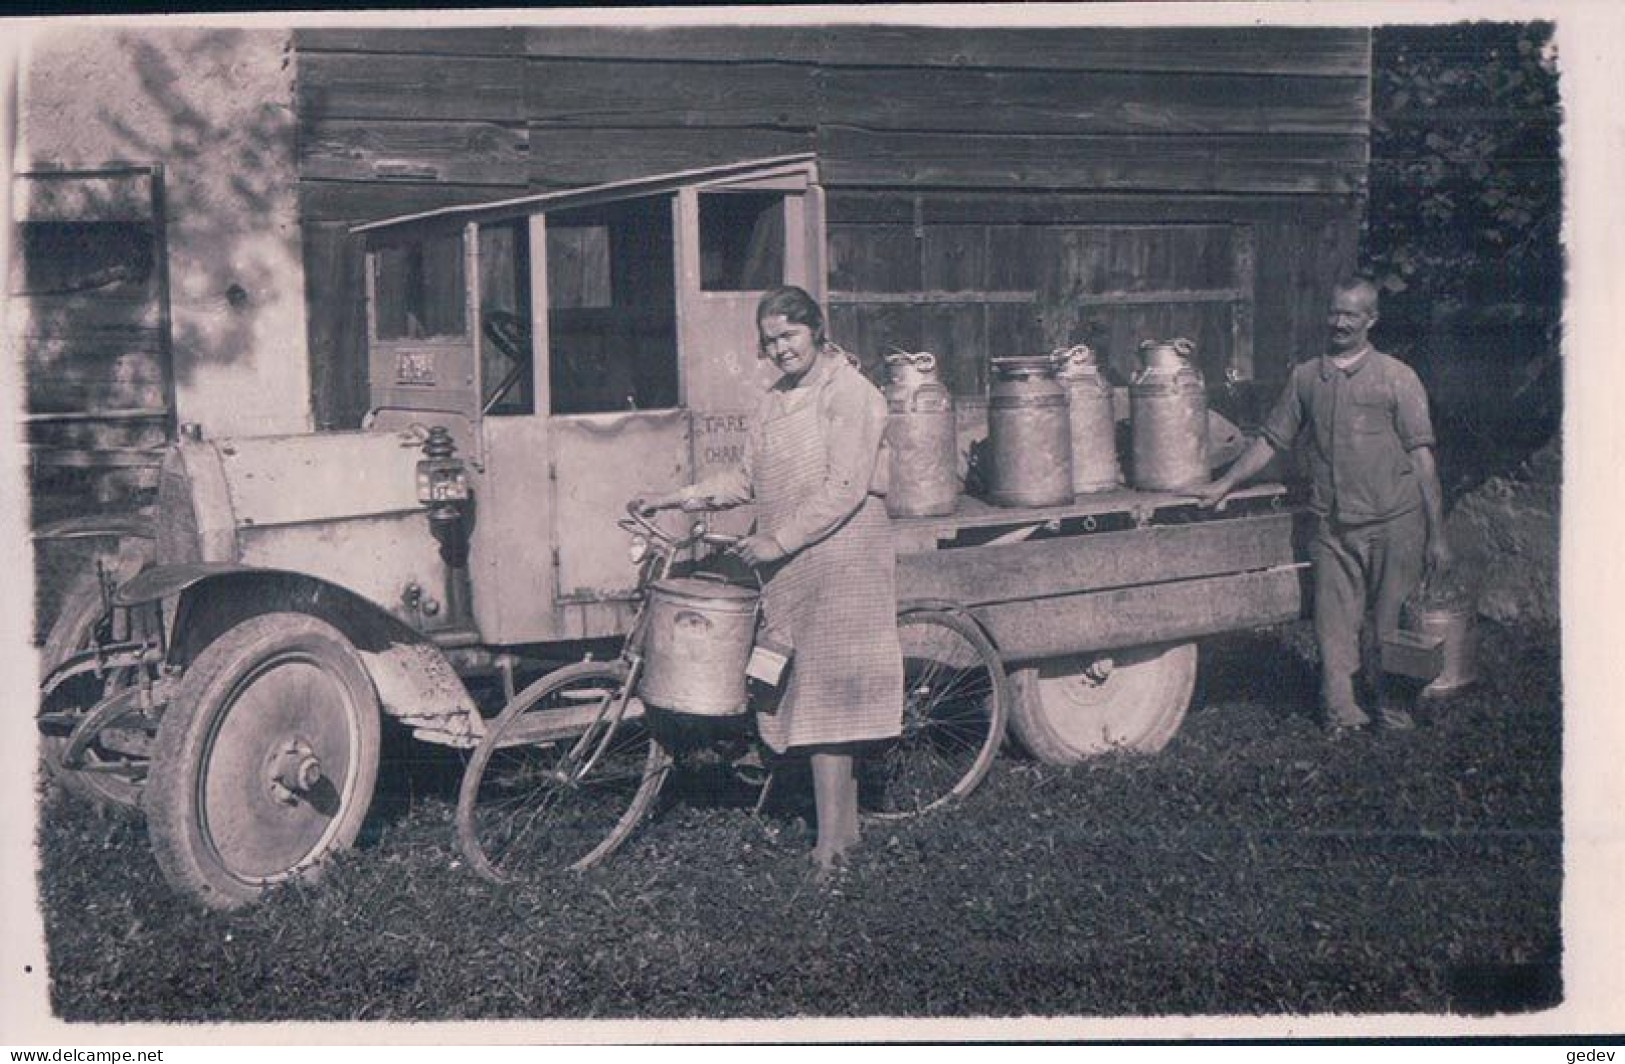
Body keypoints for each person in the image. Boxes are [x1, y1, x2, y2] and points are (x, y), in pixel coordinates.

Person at [634, 285, 904, 876]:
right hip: (791, 558)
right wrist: (674, 498)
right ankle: (844, 828)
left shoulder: (851, 394)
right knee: (792, 683)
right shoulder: (775, 400)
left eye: (789, 335)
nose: (780, 349)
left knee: (827, 693)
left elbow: (844, 488)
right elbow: (743, 481)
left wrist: (775, 540)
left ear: (815, 330)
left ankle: (834, 847)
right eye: (770, 341)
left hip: (844, 556)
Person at [1197, 277, 1452, 734]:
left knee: (1390, 626)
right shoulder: (1306, 376)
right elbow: (1272, 440)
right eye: (1334, 312)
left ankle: (1395, 715)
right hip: (1332, 526)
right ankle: (1344, 716)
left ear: (1371, 320)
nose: (1338, 322)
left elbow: (1422, 460)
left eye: (1350, 315)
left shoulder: (1397, 378)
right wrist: (1226, 483)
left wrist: (1437, 535)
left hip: (1394, 523)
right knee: (1333, 629)